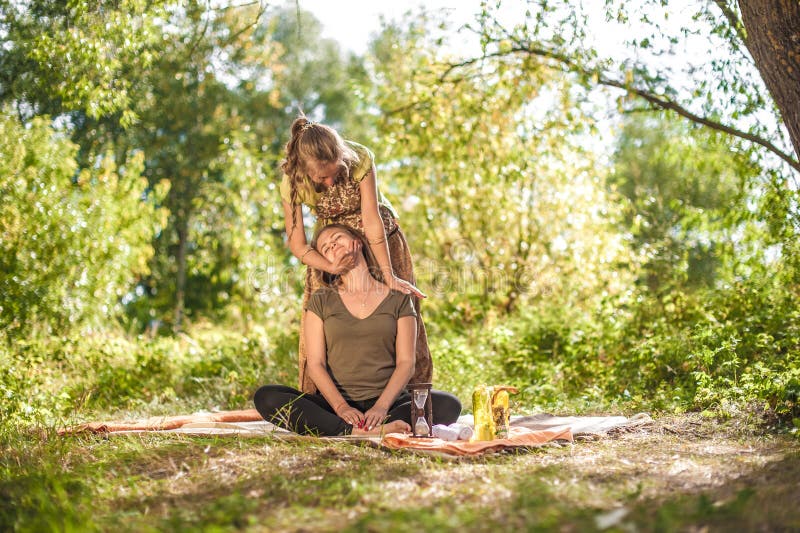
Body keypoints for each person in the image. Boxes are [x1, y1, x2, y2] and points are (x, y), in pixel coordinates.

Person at [253, 224, 461, 436]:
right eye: (326, 248)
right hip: (335, 406)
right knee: (266, 397)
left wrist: (381, 407)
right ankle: (358, 431)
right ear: (327, 263)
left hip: (388, 404)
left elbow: (406, 363)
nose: (333, 245)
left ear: (358, 242)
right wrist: (341, 408)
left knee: (449, 405)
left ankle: (365, 427)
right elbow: (316, 364)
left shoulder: (398, 298)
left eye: (337, 238)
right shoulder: (321, 301)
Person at [279, 116, 432, 394]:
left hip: (381, 244)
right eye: (321, 178)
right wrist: (331, 266)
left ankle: (413, 401)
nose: (330, 181)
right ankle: (326, 399)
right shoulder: (292, 182)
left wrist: (389, 275)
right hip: (332, 250)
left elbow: (371, 219)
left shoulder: (359, 157)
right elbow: (298, 245)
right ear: (304, 170)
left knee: (400, 309)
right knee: (323, 319)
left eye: (334, 173)